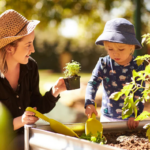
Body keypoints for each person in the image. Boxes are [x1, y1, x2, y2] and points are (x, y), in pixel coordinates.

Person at [0, 9, 66, 150]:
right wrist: (20, 121)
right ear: (10, 48)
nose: (33, 49)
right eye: (28, 44)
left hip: (25, 140)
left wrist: (54, 91)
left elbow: (37, 107)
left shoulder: (31, 67)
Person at [85, 18, 145, 130]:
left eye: (121, 49)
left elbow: (140, 92)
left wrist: (136, 115)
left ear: (131, 47)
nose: (115, 53)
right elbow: (93, 83)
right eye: (110, 49)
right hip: (107, 116)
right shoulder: (104, 63)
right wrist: (89, 103)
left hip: (130, 119)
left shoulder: (137, 65)